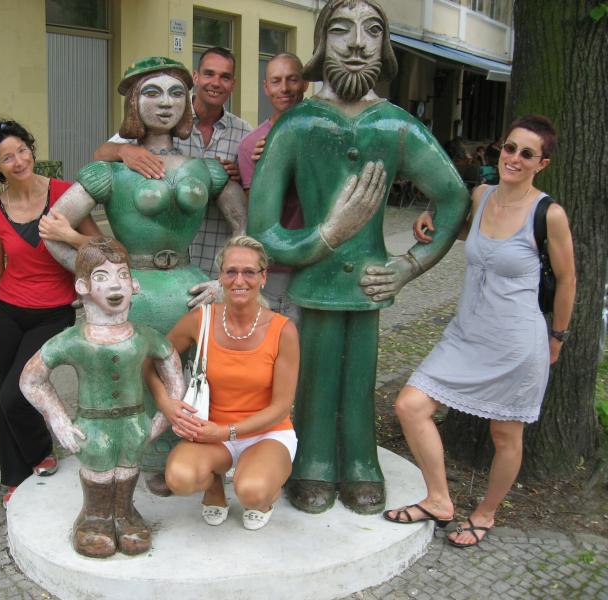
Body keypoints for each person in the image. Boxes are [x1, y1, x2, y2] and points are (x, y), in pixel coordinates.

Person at [247, 0, 471, 515]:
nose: (356, 43)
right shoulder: (298, 125)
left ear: (384, 47)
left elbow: (453, 195)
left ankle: (361, 462)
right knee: (316, 376)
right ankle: (313, 461)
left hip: (370, 283)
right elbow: (262, 230)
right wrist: (326, 236)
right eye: (341, 30)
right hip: (317, 281)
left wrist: (408, 265)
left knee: (360, 379)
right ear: (321, 44)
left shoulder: (396, 126)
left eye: (371, 31)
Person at [41, 56, 247, 493]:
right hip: (134, 289)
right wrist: (98, 282)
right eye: (152, 93)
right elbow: (54, 227)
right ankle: (131, 456)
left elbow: (244, 230)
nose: (166, 103)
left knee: (196, 375)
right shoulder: (111, 171)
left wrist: (224, 282)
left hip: (191, 289)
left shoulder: (206, 168)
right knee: (132, 376)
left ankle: (189, 454)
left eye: (176, 93)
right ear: (134, 102)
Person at [387, 115, 576, 547]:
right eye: (509, 148)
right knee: (410, 406)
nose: (514, 158)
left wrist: (558, 337)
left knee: (504, 435)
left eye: (526, 153)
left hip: (516, 342)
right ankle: (439, 500)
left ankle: (485, 514)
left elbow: (567, 280)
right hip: (465, 334)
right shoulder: (481, 195)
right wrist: (431, 221)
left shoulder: (549, 214)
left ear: (542, 163)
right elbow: (468, 236)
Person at [19, 237, 184, 557]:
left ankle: (124, 515)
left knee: (127, 468)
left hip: (134, 422)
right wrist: (59, 420)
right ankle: (95, 520)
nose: (115, 284)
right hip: (92, 425)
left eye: (122, 274)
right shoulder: (73, 340)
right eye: (102, 276)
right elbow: (31, 379)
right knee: (99, 469)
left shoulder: (143, 336)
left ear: (134, 285)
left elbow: (173, 370)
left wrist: (164, 417)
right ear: (83, 286)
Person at [0, 118, 101, 507]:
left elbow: (100, 248)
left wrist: (68, 236)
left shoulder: (64, 194)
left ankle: (41, 447)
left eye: (23, 150)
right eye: (7, 157)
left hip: (53, 311)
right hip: (8, 311)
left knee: (17, 394)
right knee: (5, 393)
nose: (19, 161)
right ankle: (16, 476)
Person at [147, 236, 300, 530]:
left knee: (252, 492)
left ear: (263, 277)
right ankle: (214, 486)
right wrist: (166, 403)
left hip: (266, 433)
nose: (239, 280)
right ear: (220, 276)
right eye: (231, 271)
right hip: (210, 432)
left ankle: (264, 494)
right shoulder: (200, 320)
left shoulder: (283, 330)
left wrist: (226, 431)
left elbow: (281, 407)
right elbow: (152, 360)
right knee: (179, 478)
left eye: (249, 272)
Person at [93, 47, 252, 277]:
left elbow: (248, 197)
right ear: (196, 77)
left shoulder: (244, 132)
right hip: (156, 261)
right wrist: (123, 150)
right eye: (209, 74)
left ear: (233, 83)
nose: (216, 83)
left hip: (215, 251)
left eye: (225, 77)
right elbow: (100, 154)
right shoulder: (162, 117)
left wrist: (238, 174)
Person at [237, 52, 308, 322]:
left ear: (305, 84)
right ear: (266, 88)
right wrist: (267, 171)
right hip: (278, 268)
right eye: (276, 81)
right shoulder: (251, 145)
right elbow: (256, 213)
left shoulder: (327, 134)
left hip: (322, 263)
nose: (284, 88)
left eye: (292, 79)